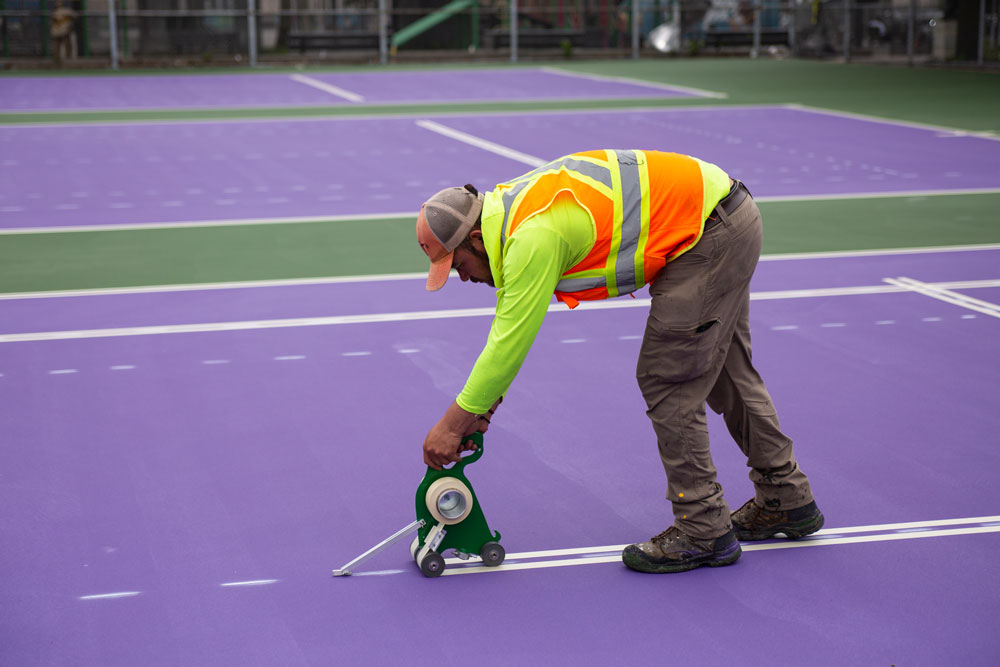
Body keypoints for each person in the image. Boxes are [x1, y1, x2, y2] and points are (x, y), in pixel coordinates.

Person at [416, 149, 823, 574]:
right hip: (725, 216)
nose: (462, 277)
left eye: (457, 265)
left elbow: (508, 344)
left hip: (707, 234)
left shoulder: (531, 234)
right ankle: (786, 498)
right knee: (726, 372)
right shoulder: (508, 215)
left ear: (476, 240)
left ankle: (703, 529)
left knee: (669, 378)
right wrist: (481, 409)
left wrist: (450, 426)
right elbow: (509, 327)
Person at [50, 0, 77, 67]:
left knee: (67, 44)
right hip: (56, 31)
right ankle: (56, 60)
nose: (58, 4)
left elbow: (75, 16)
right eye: (57, 3)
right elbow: (52, 21)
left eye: (60, 3)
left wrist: (69, 21)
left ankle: (68, 59)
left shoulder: (67, 11)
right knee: (56, 46)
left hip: (65, 30)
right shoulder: (55, 11)